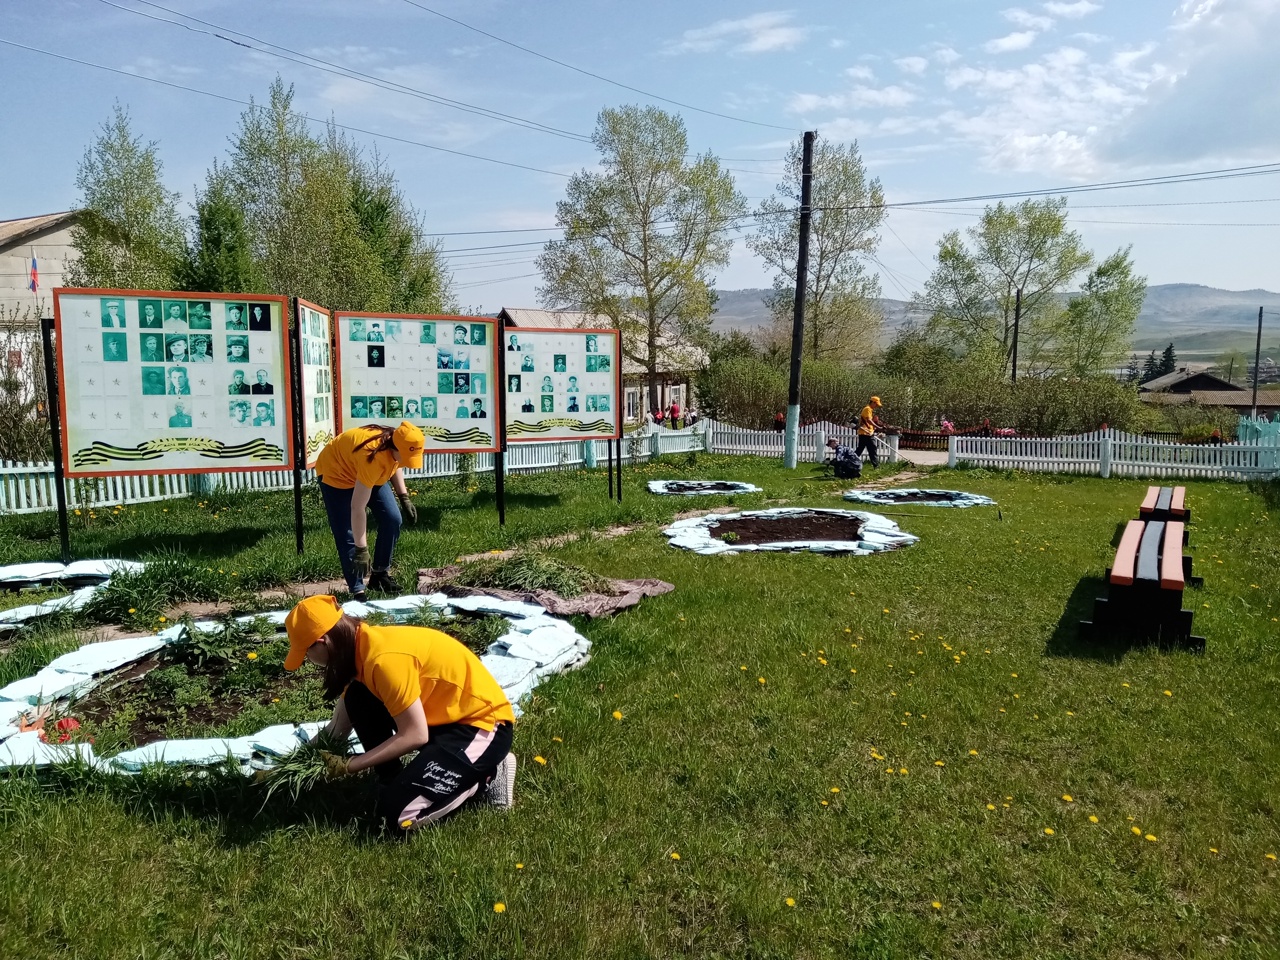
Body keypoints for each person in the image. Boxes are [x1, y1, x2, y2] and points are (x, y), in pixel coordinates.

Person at [280, 595, 517, 829]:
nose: (308, 660)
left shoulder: (383, 661)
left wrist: (350, 765)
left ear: (323, 641)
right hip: (441, 722)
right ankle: (392, 781)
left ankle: (488, 773)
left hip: (481, 727)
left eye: (306, 653)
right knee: (357, 697)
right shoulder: (359, 651)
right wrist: (287, 767)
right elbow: (337, 729)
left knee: (399, 817)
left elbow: (414, 735)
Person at [315, 422, 423, 599]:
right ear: (394, 447)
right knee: (347, 531)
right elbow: (357, 507)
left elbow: (396, 464)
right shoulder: (372, 457)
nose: (406, 461)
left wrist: (404, 496)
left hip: (363, 469)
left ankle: (380, 576)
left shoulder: (396, 444)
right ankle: (358, 589)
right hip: (337, 474)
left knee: (392, 518)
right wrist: (361, 549)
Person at [855, 395, 882, 467]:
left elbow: (868, 421)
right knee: (872, 449)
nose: (876, 406)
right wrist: (878, 427)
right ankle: (876, 466)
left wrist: (873, 427)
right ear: (873, 402)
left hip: (865, 432)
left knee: (860, 450)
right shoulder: (867, 409)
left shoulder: (869, 409)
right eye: (876, 404)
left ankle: (850, 462)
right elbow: (868, 420)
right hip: (866, 433)